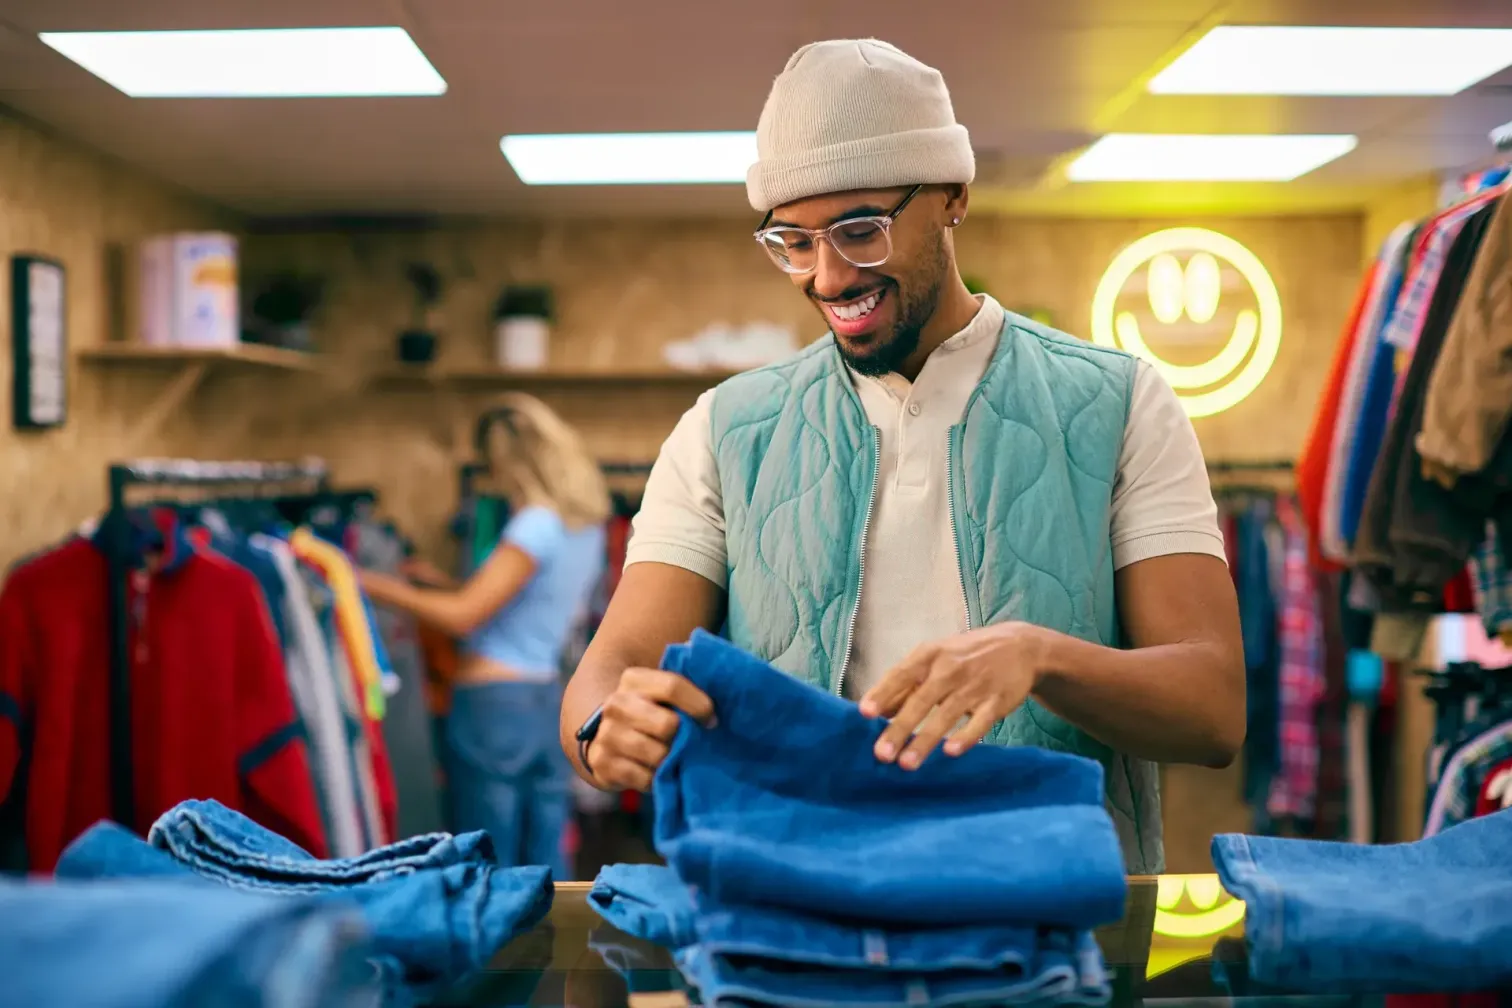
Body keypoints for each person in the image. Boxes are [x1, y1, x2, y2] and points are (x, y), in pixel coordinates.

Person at [560, 39, 1246, 874]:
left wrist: (1041, 656)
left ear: (954, 196)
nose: (827, 277)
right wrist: (605, 727)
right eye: (793, 241)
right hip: (796, 910)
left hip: (1048, 909)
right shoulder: (722, 429)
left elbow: (1212, 709)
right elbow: (612, 667)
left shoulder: (1120, 402)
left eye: (861, 231)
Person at [361, 393, 608, 879]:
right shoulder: (585, 526)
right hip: (547, 699)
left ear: (511, 461)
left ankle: (497, 934)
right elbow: (519, 600)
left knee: (488, 859)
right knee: (548, 854)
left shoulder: (533, 525)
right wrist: (437, 582)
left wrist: (367, 582)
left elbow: (463, 617)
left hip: (494, 705)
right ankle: (556, 932)